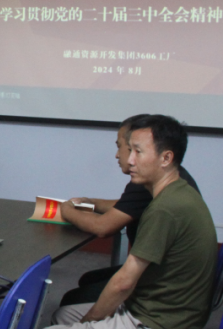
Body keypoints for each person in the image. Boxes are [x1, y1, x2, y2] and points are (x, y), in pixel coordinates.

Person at [31, 115, 217, 329]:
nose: (128, 160)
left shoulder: (166, 210)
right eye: (127, 149)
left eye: (137, 151)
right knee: (63, 314)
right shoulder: (176, 194)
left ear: (166, 158)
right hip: (166, 315)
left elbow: (123, 282)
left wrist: (92, 323)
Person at [58, 114, 201, 307]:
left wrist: (66, 210)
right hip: (175, 277)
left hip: (165, 288)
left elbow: (104, 227)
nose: (119, 155)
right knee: (89, 279)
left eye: (124, 147)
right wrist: (91, 203)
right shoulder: (173, 176)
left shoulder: (154, 185)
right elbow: (128, 206)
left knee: (73, 299)